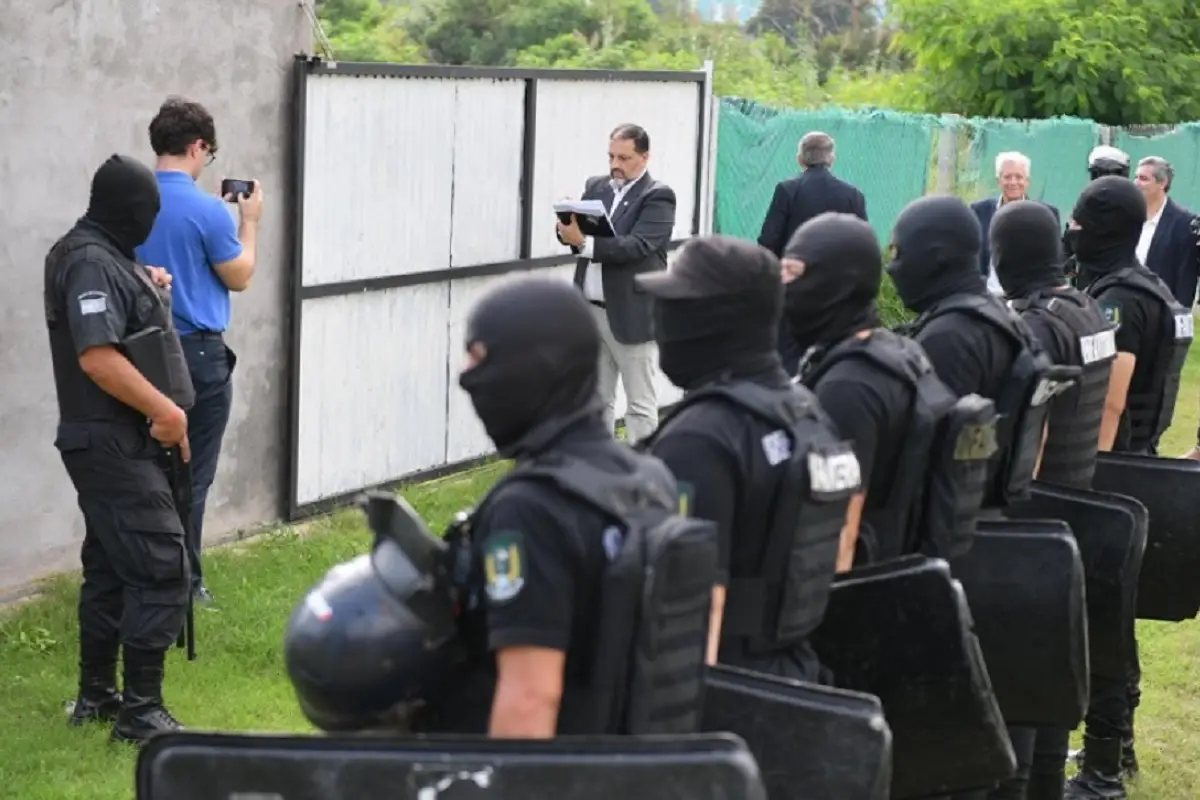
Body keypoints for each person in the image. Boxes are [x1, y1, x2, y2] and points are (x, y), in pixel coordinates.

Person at [284, 277, 716, 737]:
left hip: (555, 766)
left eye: (479, 357)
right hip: (631, 756)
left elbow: (530, 698)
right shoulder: (649, 478)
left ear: (531, 369)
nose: (466, 377)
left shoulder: (532, 508)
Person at [887, 194, 1060, 800]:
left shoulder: (951, 336)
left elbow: (923, 456)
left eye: (899, 253)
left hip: (953, 549)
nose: (893, 266)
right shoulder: (1000, 320)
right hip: (990, 533)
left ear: (933, 256)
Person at [638, 235, 861, 682]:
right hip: (794, 677)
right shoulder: (807, 411)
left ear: (712, 319)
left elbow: (694, 613)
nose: (662, 318)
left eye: (676, 305)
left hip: (725, 691)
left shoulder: (701, 439)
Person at [45, 154, 194, 744]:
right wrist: (166, 411)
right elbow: (97, 357)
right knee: (161, 566)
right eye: (147, 213)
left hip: (112, 440)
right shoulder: (89, 260)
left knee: (111, 567)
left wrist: (145, 285)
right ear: (130, 210)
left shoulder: (103, 254)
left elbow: (119, 319)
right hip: (110, 440)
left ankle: (97, 698)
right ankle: (141, 714)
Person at [1065, 176, 1193, 798]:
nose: (1072, 231)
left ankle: (1102, 769)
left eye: (1080, 221)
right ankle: (1118, 750)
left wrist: (1083, 477)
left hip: (1113, 472)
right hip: (1142, 466)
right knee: (1115, 618)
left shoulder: (1118, 297)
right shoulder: (1158, 290)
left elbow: (1111, 401)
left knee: (1102, 624)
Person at [989, 200, 1119, 800]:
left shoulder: (1036, 325)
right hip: (1079, 502)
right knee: (1052, 673)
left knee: (1020, 681)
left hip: (1037, 515)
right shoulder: (1086, 308)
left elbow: (1031, 433)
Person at [786, 213, 995, 566]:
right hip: (903, 567)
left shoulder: (847, 386)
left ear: (836, 283)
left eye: (794, 273)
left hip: (869, 578)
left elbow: (839, 534)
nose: (784, 286)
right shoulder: (902, 353)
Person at [135, 97, 265, 607]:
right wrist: (248, 221)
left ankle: (140, 576)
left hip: (138, 357)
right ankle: (184, 585)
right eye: (208, 154)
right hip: (197, 357)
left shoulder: (133, 200)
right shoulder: (210, 211)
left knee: (144, 472)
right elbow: (240, 275)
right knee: (191, 476)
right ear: (197, 147)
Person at [558, 123, 676, 444]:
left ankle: (642, 466)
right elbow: (580, 239)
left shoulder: (658, 196)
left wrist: (583, 242)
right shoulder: (597, 187)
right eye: (611, 156)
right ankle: (599, 463)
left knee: (639, 404)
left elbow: (637, 246)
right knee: (595, 401)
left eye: (624, 158)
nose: (615, 165)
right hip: (590, 310)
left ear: (645, 157)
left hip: (631, 313)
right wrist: (566, 226)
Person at [756, 131, 869, 376]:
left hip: (793, 292)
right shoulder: (853, 196)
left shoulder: (787, 190)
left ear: (800, 159)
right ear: (831, 158)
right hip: (839, 295)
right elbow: (863, 248)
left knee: (788, 359)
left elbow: (768, 242)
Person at [969, 152, 1060, 294]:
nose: (1013, 182)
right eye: (1007, 177)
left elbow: (1056, 259)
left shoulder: (1046, 214)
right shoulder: (979, 211)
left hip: (1029, 297)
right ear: (998, 180)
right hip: (988, 297)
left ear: (1028, 181)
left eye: (1019, 177)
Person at [1134, 156, 1198, 309]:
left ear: (1162, 183)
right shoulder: (1129, 216)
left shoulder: (1184, 223)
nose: (1136, 183)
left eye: (1143, 179)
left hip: (1161, 310)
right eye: (1136, 177)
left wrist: (1179, 315)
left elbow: (1185, 280)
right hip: (1129, 306)